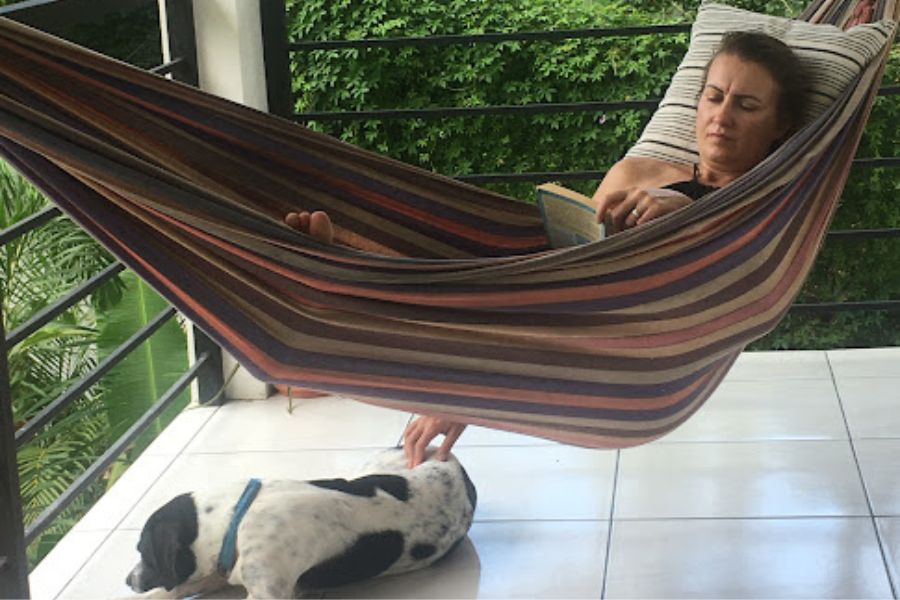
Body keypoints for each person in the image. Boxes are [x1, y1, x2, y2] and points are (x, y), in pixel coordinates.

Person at [286, 30, 807, 468]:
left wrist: (689, 214)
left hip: (631, 349)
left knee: (484, 294)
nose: (722, 117)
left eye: (746, 105)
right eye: (713, 96)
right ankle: (349, 272)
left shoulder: (763, 203)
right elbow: (574, 267)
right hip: (559, 307)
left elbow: (733, 269)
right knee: (480, 256)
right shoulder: (638, 174)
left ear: (779, 124)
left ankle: (347, 289)